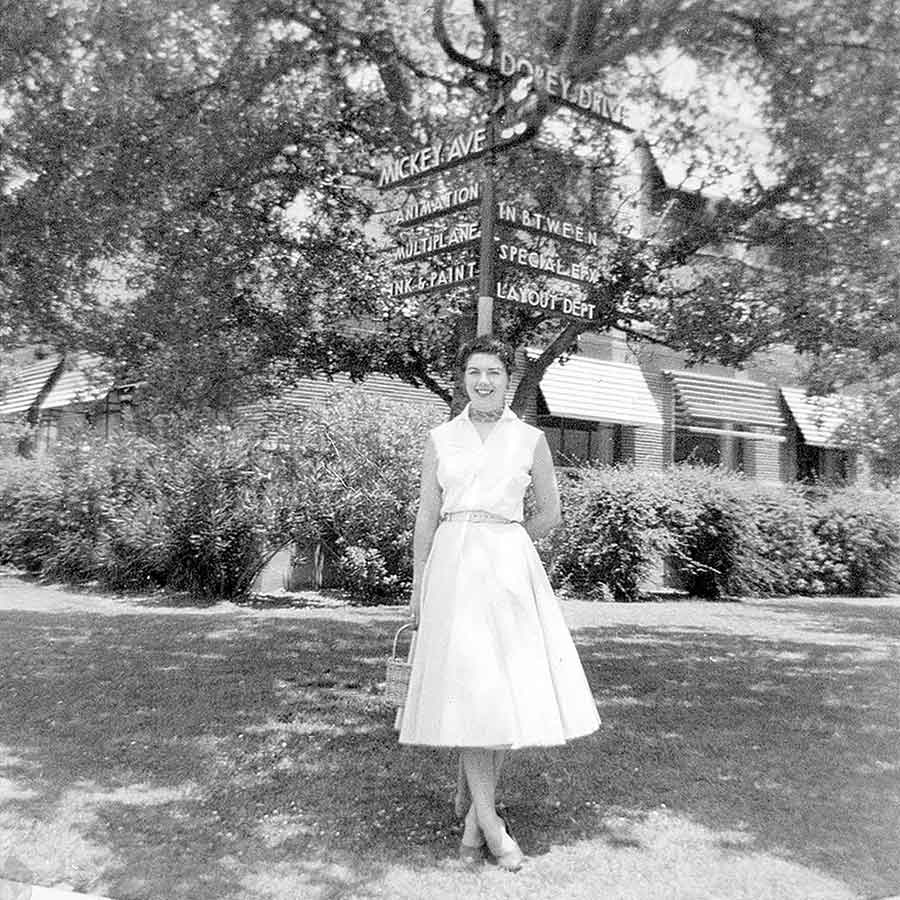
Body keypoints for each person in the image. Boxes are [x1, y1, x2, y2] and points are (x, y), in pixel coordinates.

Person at [398, 335, 600, 870]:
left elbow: (551, 513)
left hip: (509, 569)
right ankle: (489, 822)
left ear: (509, 380)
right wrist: (418, 584)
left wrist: (509, 539)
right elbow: (426, 516)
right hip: (453, 569)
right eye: (473, 372)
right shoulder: (442, 439)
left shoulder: (529, 439)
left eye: (493, 372)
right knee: (469, 687)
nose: (483, 382)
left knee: (502, 689)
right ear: (462, 379)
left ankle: (476, 819)